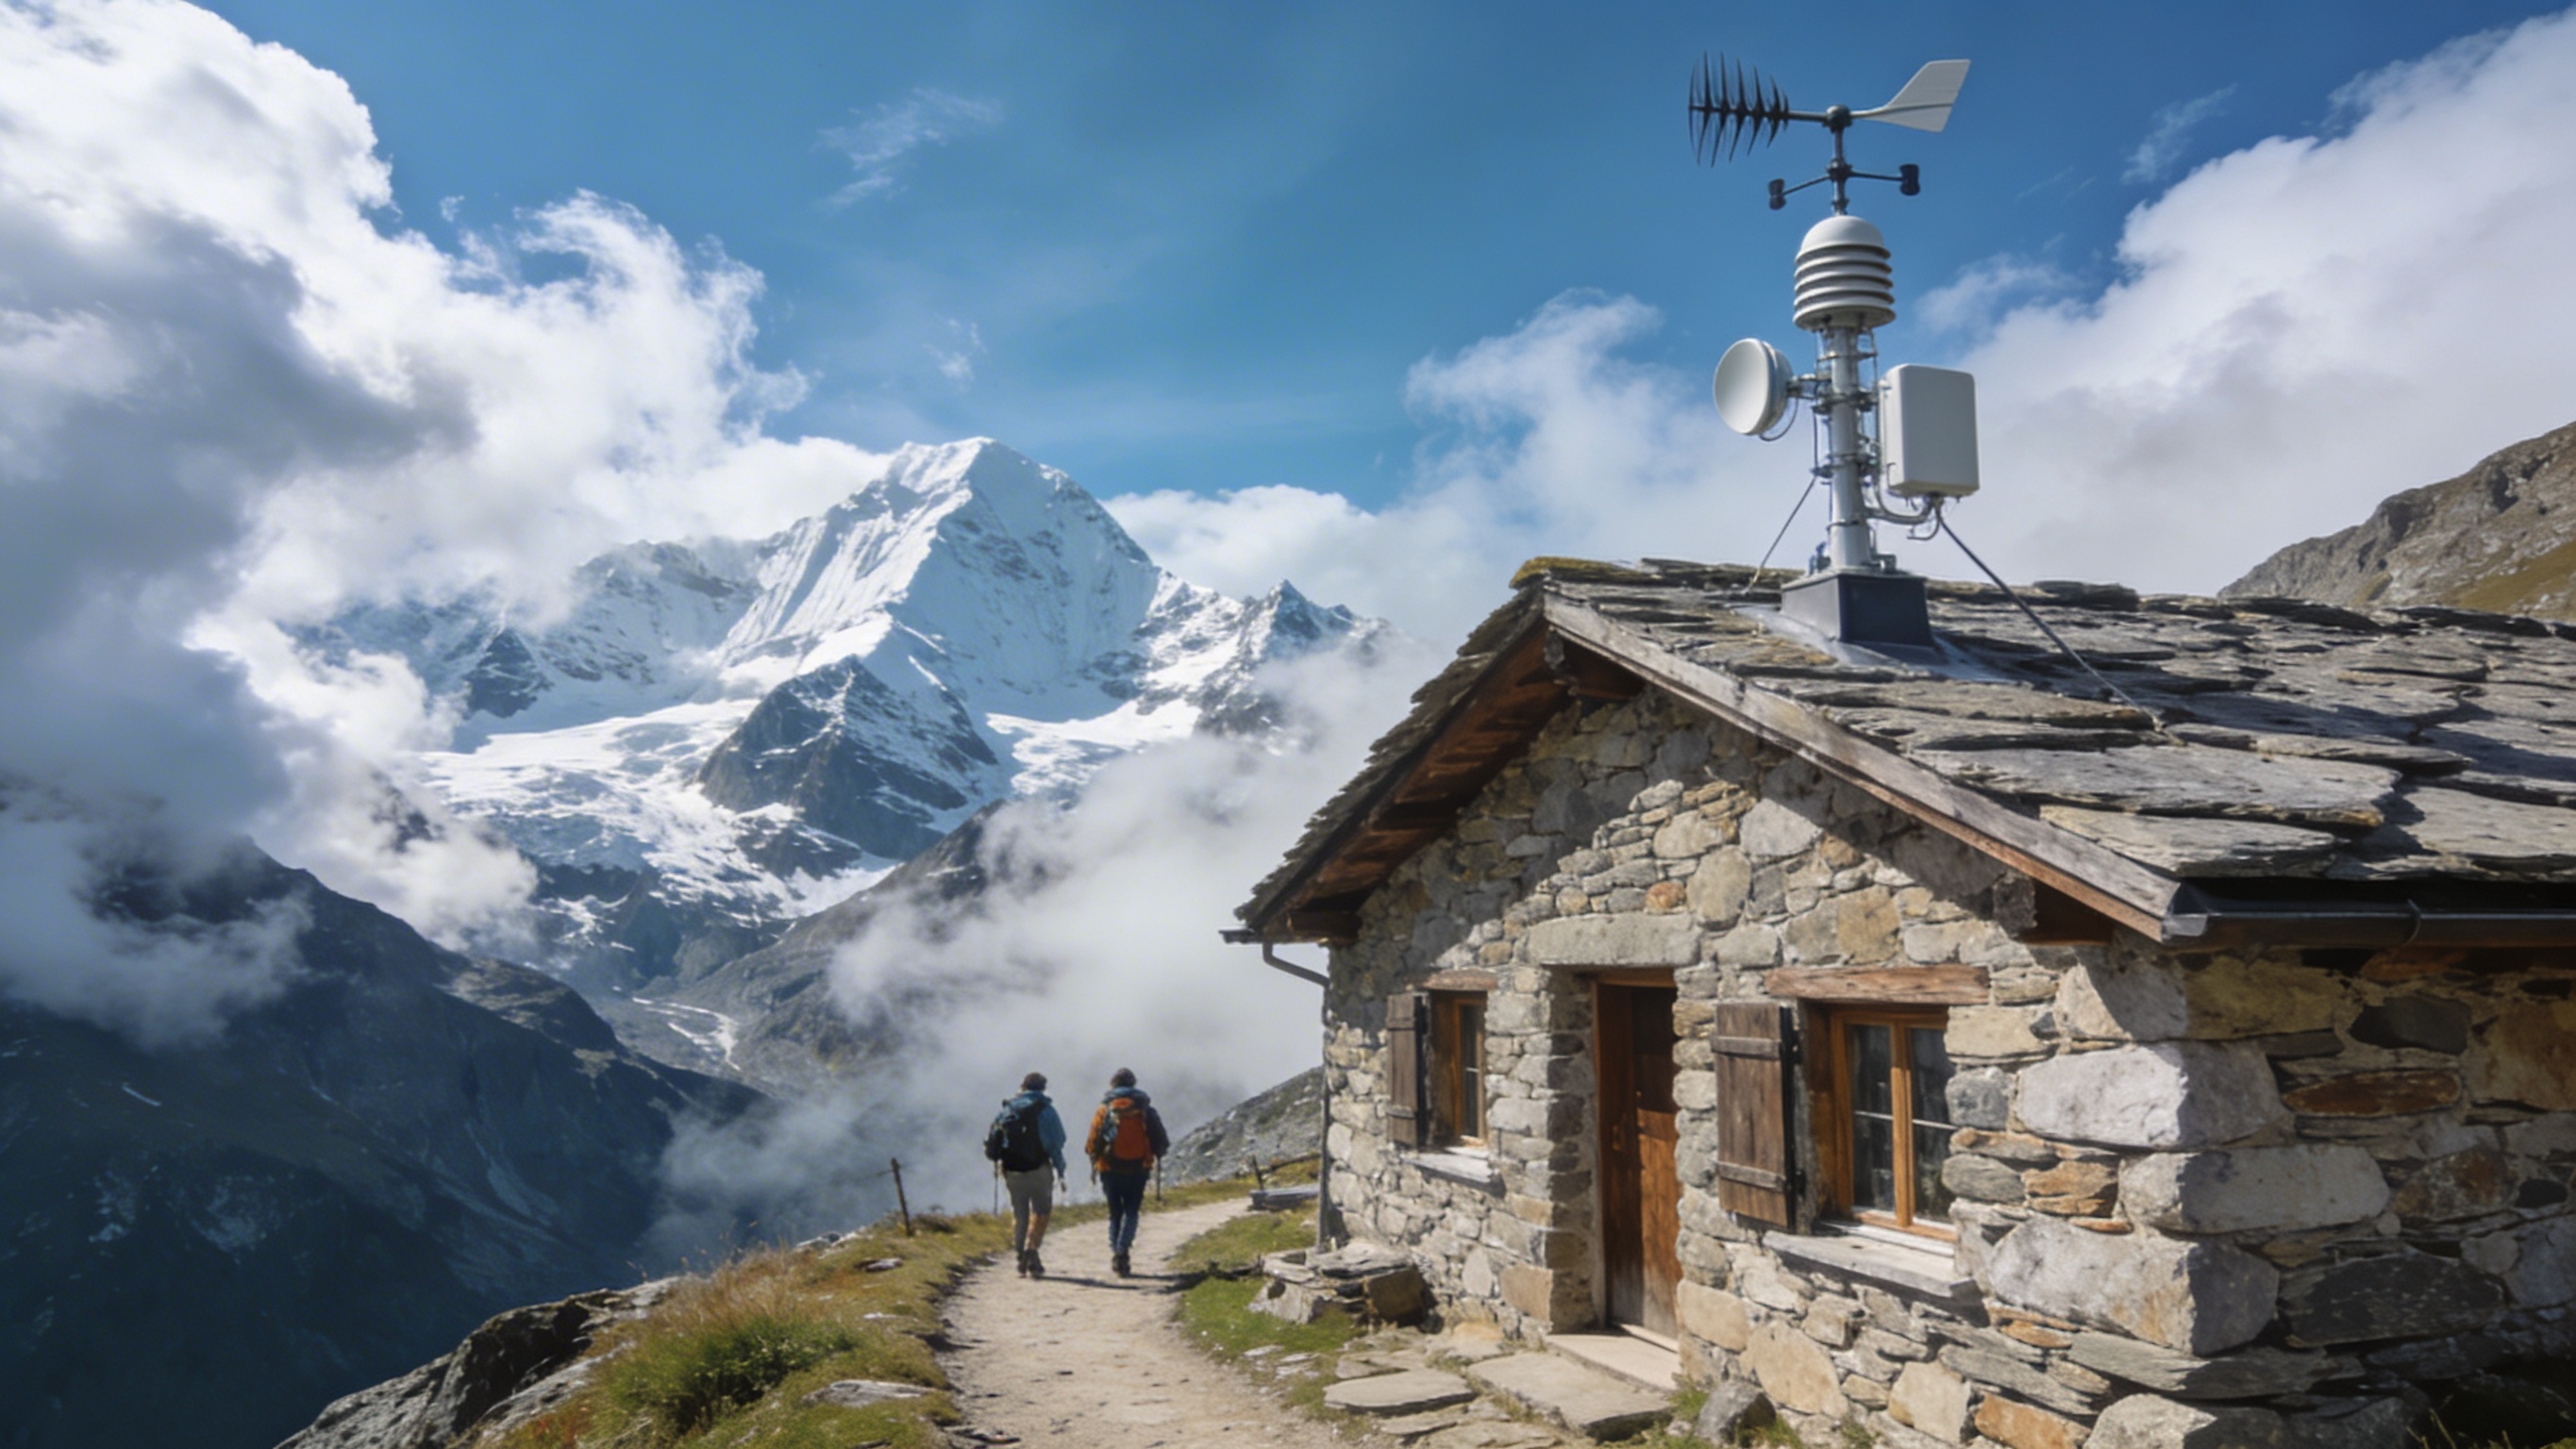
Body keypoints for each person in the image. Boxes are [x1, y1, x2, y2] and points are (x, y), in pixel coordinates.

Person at [1083, 1066, 1169, 1277]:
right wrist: (1157, 1153)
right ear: (1133, 1085)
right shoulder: (1145, 1109)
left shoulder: (1105, 1109)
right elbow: (1161, 1140)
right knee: (1132, 1211)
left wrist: (1094, 1156)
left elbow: (1093, 1141)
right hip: (1139, 1167)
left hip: (1110, 1167)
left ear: (1113, 1085)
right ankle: (1124, 1251)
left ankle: (1116, 1251)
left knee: (1115, 1212)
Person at [986, 1071, 1066, 1277]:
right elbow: (1057, 1142)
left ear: (1022, 1087)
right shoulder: (1046, 1110)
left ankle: (1019, 1255)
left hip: (1012, 1170)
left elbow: (994, 1137)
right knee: (1041, 1211)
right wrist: (1060, 1169)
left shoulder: (1007, 1109)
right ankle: (1032, 1250)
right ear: (1043, 1088)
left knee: (1019, 1213)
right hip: (1039, 1168)